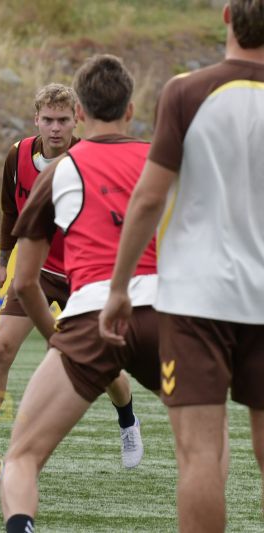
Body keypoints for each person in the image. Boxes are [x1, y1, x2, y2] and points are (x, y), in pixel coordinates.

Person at [99, 2, 264, 531]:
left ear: (226, 17)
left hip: (196, 299)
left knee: (199, 456)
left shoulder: (187, 90)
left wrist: (120, 288)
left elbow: (148, 199)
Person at [0, 54, 162, 533]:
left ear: (81, 117)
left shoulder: (60, 170)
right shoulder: (162, 160)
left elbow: (23, 282)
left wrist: (56, 338)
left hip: (92, 313)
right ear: (131, 110)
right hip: (169, 315)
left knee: (22, 458)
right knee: (202, 453)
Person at [0, 83, 142, 469]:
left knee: (105, 364)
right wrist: (3, 262)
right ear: (36, 119)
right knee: (1, 351)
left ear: (77, 119)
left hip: (85, 275)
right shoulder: (17, 155)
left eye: (63, 120)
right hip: (36, 271)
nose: (55, 128)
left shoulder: (89, 159)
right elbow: (9, 212)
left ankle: (127, 419)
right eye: (48, 120)